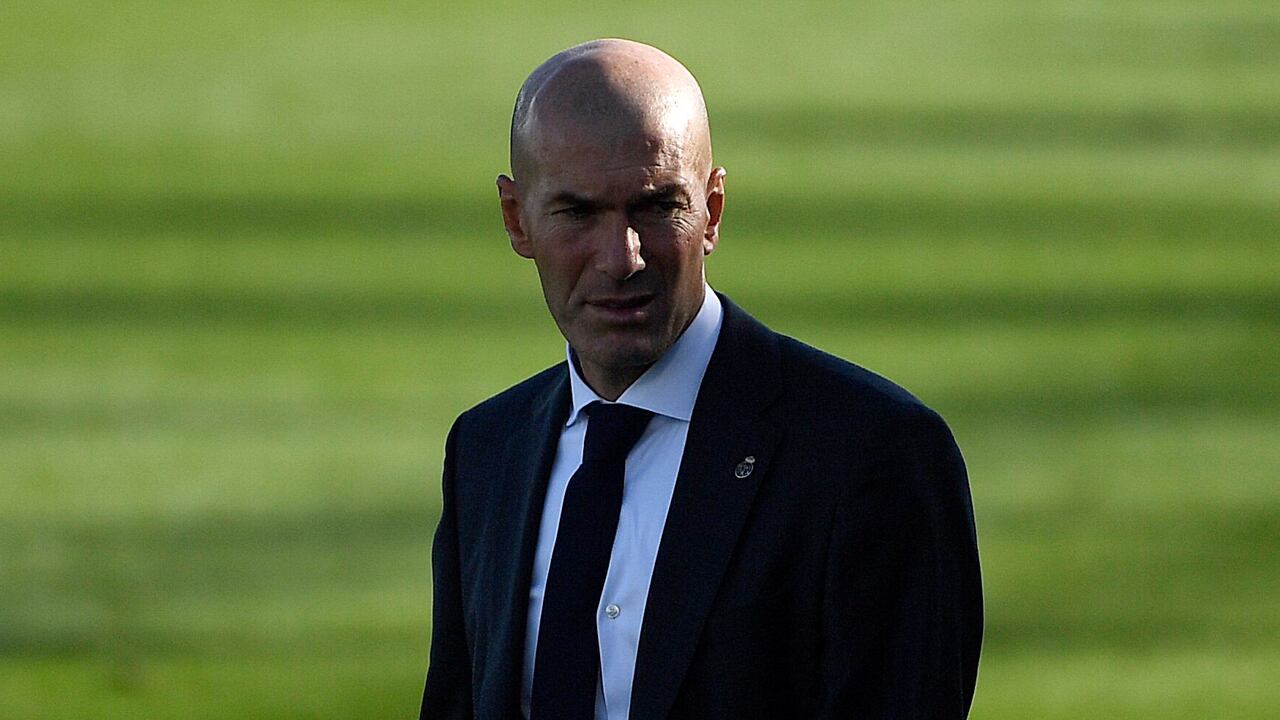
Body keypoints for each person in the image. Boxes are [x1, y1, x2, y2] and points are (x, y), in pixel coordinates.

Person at [420, 39, 982, 720]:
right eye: (578, 213)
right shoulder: (487, 450)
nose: (622, 257)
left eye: (657, 207)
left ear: (712, 211)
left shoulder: (873, 456)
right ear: (517, 220)